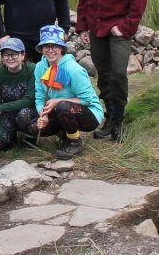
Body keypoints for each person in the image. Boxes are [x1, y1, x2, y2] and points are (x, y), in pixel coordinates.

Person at [76, 0, 148, 141]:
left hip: (118, 29)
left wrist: (126, 26)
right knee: (104, 75)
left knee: (118, 74)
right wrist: (83, 26)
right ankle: (108, 117)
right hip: (96, 27)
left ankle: (119, 120)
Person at [22, 25, 103, 160]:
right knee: (31, 126)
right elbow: (40, 97)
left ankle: (74, 141)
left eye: (55, 46)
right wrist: (44, 114)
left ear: (61, 48)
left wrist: (57, 101)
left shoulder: (74, 69)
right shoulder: (39, 68)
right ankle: (63, 132)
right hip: (57, 110)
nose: (50, 50)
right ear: (41, 49)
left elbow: (87, 100)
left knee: (63, 107)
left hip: (89, 114)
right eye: (46, 46)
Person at [0, 38, 38, 150]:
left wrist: (2, 108)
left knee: (24, 114)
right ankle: (11, 138)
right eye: (6, 55)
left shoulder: (33, 69)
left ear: (22, 55)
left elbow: (30, 100)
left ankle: (30, 138)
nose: (10, 58)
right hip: (8, 114)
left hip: (29, 112)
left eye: (14, 54)